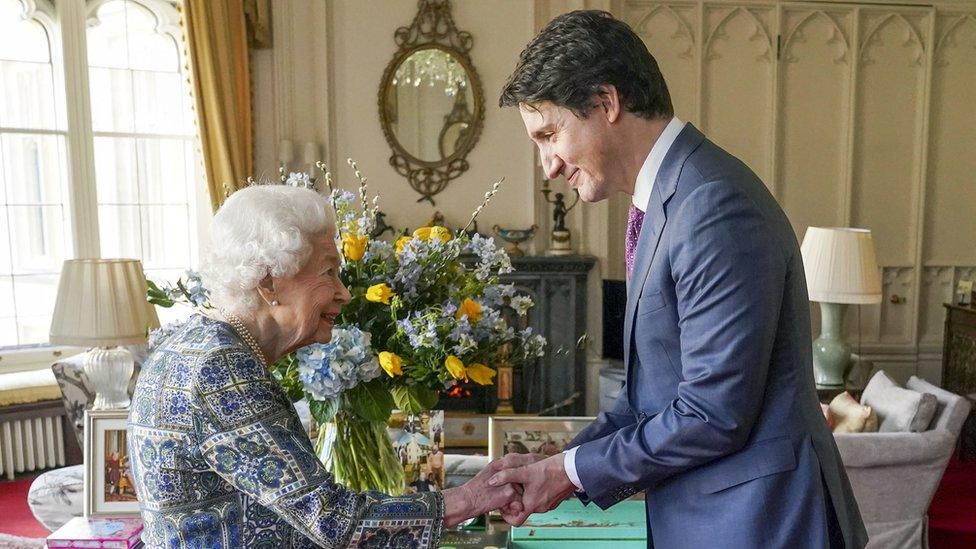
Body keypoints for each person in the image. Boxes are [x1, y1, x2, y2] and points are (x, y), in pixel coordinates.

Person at [489, 10, 868, 548]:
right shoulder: (668, 199)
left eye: (550, 134)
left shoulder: (713, 203)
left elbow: (714, 413)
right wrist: (564, 462)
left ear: (606, 102)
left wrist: (569, 473)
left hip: (763, 525)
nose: (548, 165)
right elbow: (649, 398)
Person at [127, 185, 520, 548]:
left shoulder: (190, 346)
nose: (344, 293)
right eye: (328, 272)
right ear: (269, 284)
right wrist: (469, 498)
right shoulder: (221, 369)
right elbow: (333, 520)